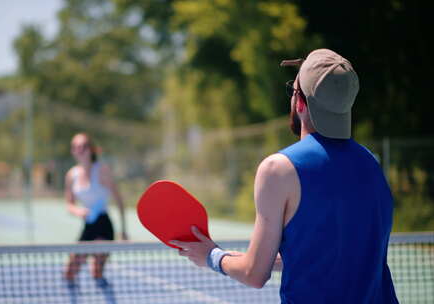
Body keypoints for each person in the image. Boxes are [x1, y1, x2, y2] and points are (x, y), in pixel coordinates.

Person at [170, 49, 399, 303]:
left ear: (299, 102)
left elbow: (254, 275)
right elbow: (336, 253)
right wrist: (247, 257)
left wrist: (212, 257)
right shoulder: (372, 164)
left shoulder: (278, 170)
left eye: (293, 89)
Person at [64, 132, 128, 287]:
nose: (80, 150)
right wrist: (79, 211)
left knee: (96, 271)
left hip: (103, 225)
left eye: (84, 146)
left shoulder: (102, 170)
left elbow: (119, 200)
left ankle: (102, 284)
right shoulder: (71, 175)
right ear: (72, 151)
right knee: (69, 272)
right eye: (76, 147)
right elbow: (69, 205)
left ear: (91, 149)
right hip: (88, 226)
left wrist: (123, 230)